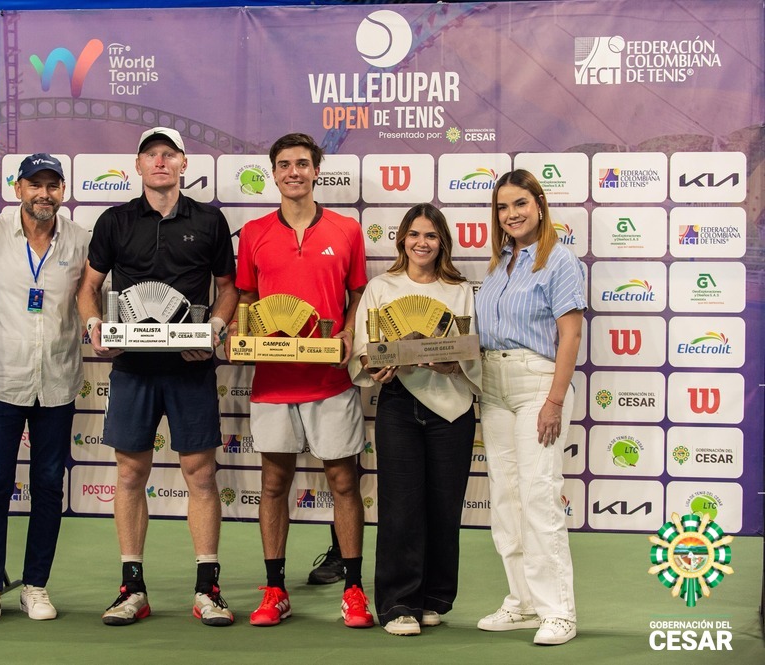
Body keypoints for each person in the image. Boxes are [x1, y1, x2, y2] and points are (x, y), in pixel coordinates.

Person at [78, 127, 238, 627]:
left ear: (184, 163)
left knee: (202, 475)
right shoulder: (114, 220)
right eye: (152, 156)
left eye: (169, 155)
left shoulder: (210, 220)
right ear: (138, 166)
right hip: (133, 367)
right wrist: (94, 325)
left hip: (191, 368)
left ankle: (207, 589)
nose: (161, 163)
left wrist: (212, 329)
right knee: (129, 475)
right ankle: (132, 588)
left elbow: (229, 289)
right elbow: (89, 286)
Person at [228, 132, 374, 628]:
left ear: (317, 171)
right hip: (272, 382)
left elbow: (358, 295)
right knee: (273, 484)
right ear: (274, 173)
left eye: (303, 164)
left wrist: (351, 333)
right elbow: (246, 298)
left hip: (330, 381)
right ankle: (275, 589)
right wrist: (238, 332)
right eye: (285, 164)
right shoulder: (253, 233)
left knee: (343, 482)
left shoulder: (347, 230)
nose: (294, 172)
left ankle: (354, 589)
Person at [0, 153, 90, 627]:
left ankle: (35, 585)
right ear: (17, 189)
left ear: (62, 191)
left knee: (48, 488)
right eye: (35, 185)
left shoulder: (80, 239)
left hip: (57, 384)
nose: (44, 194)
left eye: (52, 185)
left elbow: (96, 294)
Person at [349, 203, 481, 636]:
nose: (422, 243)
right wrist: (376, 365)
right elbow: (365, 348)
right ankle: (398, 603)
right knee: (401, 506)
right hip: (399, 404)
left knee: (444, 506)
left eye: (431, 235)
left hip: (453, 408)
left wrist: (455, 366)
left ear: (442, 242)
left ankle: (435, 597)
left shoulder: (460, 289)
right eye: (414, 234)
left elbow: (471, 348)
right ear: (402, 239)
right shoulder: (381, 286)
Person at [475, 169, 585, 646]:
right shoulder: (499, 264)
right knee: (506, 498)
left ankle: (558, 610)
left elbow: (571, 334)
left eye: (520, 203)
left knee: (539, 495)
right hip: (493, 386)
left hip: (538, 384)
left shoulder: (560, 261)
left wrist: (554, 400)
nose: (511, 214)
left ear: (539, 205)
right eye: (502, 207)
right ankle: (521, 601)